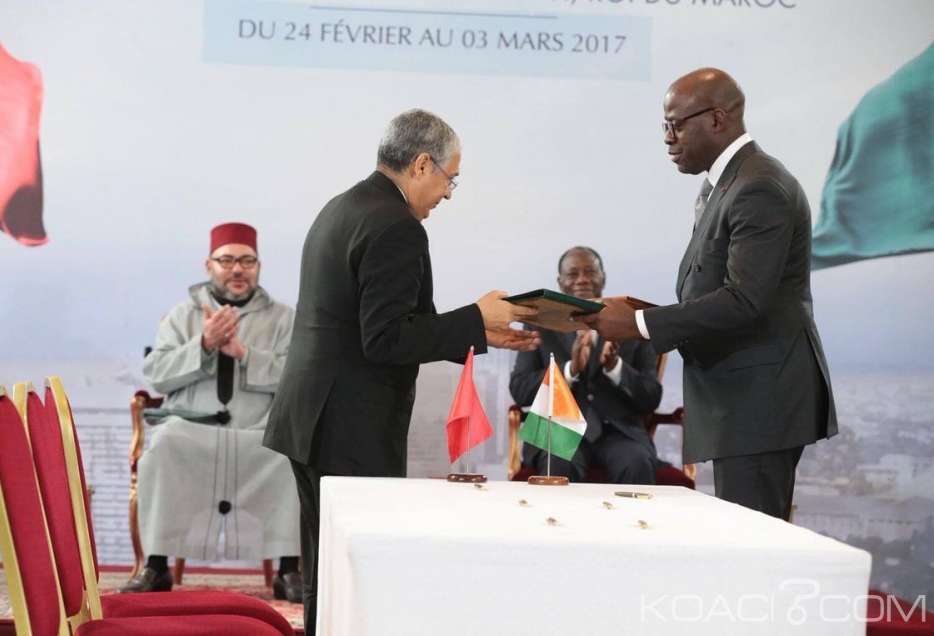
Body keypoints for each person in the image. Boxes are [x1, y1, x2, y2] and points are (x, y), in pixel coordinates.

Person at [262, 109, 540, 635]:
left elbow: (389, 324)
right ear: (422, 164)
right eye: (450, 178)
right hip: (350, 424)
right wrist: (475, 316)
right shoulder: (396, 226)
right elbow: (386, 337)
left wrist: (479, 331)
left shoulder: (345, 205)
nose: (449, 193)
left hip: (313, 418)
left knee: (328, 566)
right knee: (355, 570)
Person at [580, 68, 837, 521]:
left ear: (717, 119)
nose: (667, 138)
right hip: (742, 400)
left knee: (753, 544)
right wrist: (637, 315)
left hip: (759, 403)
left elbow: (744, 300)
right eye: (665, 125)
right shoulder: (728, 183)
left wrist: (638, 324)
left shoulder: (758, 186)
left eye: (675, 124)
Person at [120, 222, 304, 603]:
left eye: (247, 261)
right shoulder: (181, 316)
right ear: (209, 266)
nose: (237, 269)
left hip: (257, 431)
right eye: (227, 260)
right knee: (164, 447)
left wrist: (245, 354)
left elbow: (300, 375)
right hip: (191, 429)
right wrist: (203, 344)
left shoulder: (283, 318)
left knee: (288, 455)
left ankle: (289, 570)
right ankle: (155, 566)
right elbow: (157, 373)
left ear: (258, 266)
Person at [510, 246, 663, 484]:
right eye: (573, 274)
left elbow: (651, 397)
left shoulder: (631, 322)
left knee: (636, 463)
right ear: (560, 283)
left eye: (590, 271)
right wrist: (569, 370)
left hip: (619, 432)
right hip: (558, 429)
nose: (582, 279)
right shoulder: (539, 323)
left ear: (603, 278)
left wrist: (615, 368)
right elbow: (520, 389)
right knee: (556, 464)